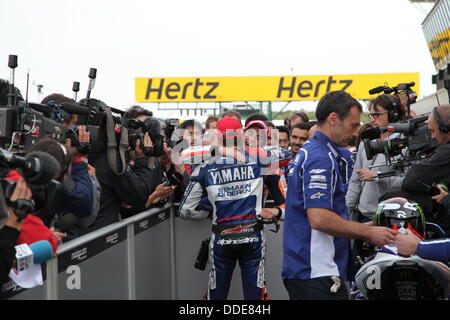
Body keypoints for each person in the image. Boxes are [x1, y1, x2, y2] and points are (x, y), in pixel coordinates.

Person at [282, 90, 399, 300]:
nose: (356, 132)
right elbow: (318, 218)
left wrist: (366, 227)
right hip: (315, 272)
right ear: (333, 119)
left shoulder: (314, 150)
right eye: (353, 125)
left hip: (308, 269)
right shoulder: (320, 157)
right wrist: (365, 233)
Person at [179, 116, 283, 300]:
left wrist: (209, 208)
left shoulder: (205, 165)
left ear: (217, 136)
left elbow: (186, 210)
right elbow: (285, 154)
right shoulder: (259, 158)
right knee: (256, 298)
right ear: (241, 134)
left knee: (215, 296)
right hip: (253, 236)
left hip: (221, 238)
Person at [382, 104, 450, 233]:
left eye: (433, 131)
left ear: (445, 128)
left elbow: (411, 180)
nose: (433, 137)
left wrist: (446, 199)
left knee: (392, 196)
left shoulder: (447, 151)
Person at [346, 95, 407, 223]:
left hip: (392, 218)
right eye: (371, 115)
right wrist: (347, 210)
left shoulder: (406, 144)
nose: (373, 120)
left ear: (393, 115)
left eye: (377, 115)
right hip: (363, 216)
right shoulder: (366, 142)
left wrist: (379, 176)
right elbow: (355, 181)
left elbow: (408, 182)